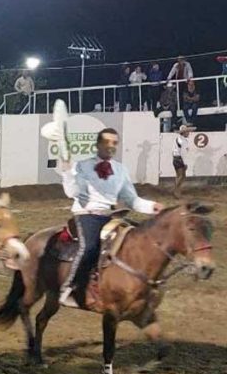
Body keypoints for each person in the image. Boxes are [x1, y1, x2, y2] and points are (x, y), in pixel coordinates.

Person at [57, 128, 164, 308]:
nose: (111, 146)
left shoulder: (121, 170)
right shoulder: (82, 165)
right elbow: (72, 192)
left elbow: (132, 200)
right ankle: (70, 287)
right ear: (98, 144)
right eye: (106, 142)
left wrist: (152, 207)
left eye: (114, 143)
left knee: (139, 242)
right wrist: (68, 171)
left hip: (111, 216)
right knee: (89, 247)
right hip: (87, 214)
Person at [172, 124, 194, 198]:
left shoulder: (178, 139)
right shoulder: (183, 141)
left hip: (176, 158)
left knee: (179, 176)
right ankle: (176, 191)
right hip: (179, 159)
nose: (188, 133)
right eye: (187, 132)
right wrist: (185, 163)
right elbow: (183, 153)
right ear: (183, 133)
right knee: (181, 176)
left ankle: (177, 190)